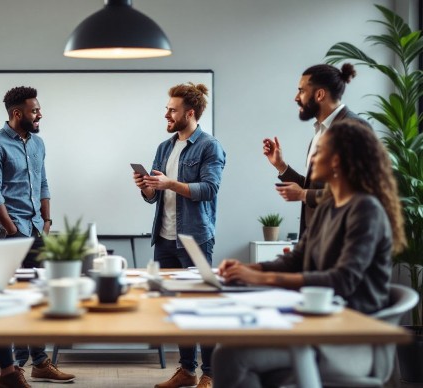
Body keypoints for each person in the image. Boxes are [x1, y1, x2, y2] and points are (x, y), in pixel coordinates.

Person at [213, 119, 405, 388]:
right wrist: (248, 270)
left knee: (230, 356)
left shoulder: (366, 210)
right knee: (232, 349)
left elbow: (342, 280)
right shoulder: (328, 207)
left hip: (348, 340)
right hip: (318, 325)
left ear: (337, 161)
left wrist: (261, 279)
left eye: (320, 151)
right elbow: (295, 260)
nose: (312, 156)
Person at [0, 86, 75, 386]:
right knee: (10, 302)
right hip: (11, 234)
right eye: (35, 111)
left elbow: (43, 182)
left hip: (35, 229)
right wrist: (12, 229)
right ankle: (10, 368)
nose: (40, 114)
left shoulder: (38, 143)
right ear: (17, 113)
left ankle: (39, 363)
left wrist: (46, 221)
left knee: (37, 298)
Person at [134, 82, 226, 388]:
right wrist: (146, 185)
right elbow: (154, 195)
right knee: (176, 307)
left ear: (190, 112)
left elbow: (209, 189)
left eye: (172, 110)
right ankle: (186, 371)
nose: (167, 114)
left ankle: (210, 373)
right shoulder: (165, 147)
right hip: (164, 238)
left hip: (194, 238)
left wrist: (170, 184)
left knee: (202, 306)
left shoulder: (209, 146)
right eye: (167, 109)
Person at [263, 63, 368, 237]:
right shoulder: (320, 132)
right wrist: (281, 165)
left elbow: (355, 192)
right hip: (318, 240)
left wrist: (303, 194)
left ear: (319, 94)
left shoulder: (354, 128)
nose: (296, 97)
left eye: (302, 91)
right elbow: (316, 186)